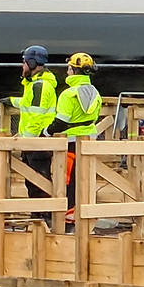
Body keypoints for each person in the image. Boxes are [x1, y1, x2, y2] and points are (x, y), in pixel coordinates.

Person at [46, 51, 103, 227]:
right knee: (85, 177)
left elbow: (61, 122)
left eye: (69, 68)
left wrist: (47, 132)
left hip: (70, 141)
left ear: (73, 70)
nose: (67, 72)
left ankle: (69, 212)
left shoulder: (68, 94)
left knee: (68, 178)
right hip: (89, 140)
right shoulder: (94, 92)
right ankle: (82, 210)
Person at [9, 45, 59, 217]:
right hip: (35, 141)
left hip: (37, 142)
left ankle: (43, 218)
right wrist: (11, 101)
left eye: (24, 62)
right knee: (34, 182)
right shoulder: (35, 85)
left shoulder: (40, 86)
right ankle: (39, 216)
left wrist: (26, 140)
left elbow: (37, 115)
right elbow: (28, 103)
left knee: (39, 182)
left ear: (32, 62)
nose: (22, 66)